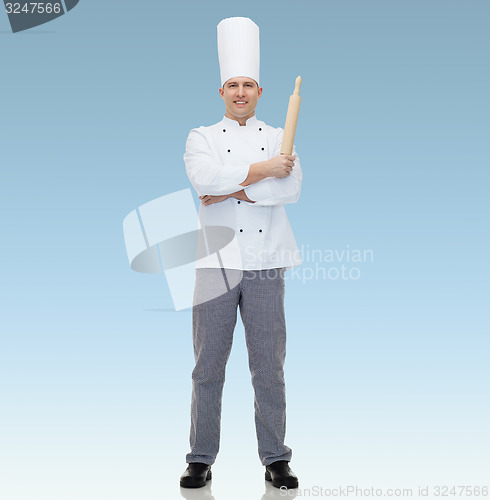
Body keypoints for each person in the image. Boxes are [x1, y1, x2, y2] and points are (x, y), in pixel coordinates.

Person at [179, 17, 302, 490]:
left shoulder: (278, 136)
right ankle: (200, 456)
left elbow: (291, 188)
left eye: (248, 84)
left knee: (268, 365)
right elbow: (204, 180)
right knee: (208, 364)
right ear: (221, 90)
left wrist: (239, 188)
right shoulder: (200, 137)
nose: (240, 92)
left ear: (260, 90)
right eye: (233, 85)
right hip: (216, 263)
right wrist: (263, 171)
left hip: (268, 262)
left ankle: (276, 456)